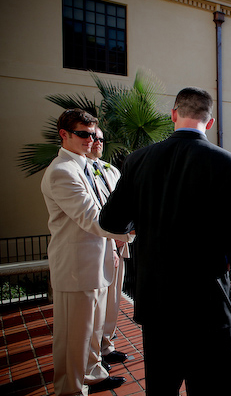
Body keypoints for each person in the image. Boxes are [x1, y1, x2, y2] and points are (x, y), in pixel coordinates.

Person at [99, 87, 231, 395]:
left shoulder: (138, 160)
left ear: (173, 115)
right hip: (207, 303)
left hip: (157, 301)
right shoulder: (230, 164)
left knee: (161, 389)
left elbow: (111, 221)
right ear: (209, 123)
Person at [41, 109, 131, 395]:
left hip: (98, 262)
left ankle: (92, 374)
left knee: (92, 332)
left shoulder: (87, 167)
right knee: (74, 337)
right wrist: (136, 232)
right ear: (64, 134)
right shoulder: (62, 171)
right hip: (75, 267)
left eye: (93, 134)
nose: (90, 140)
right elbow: (92, 217)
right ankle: (70, 389)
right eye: (83, 133)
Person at [85, 126, 131, 368]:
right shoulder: (80, 172)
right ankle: (93, 356)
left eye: (101, 138)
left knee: (113, 301)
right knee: (96, 306)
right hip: (98, 247)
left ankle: (106, 344)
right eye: (91, 137)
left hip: (119, 244)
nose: (97, 142)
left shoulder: (112, 171)